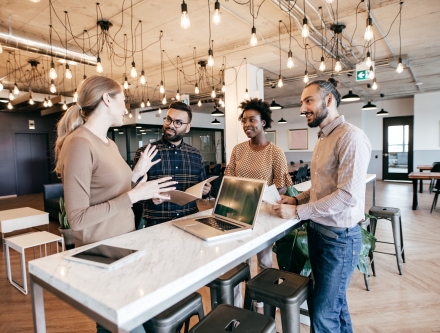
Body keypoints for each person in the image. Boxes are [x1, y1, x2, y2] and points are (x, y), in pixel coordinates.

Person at [54, 75, 177, 333]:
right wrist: (134, 195)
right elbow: (77, 218)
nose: (126, 108)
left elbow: (109, 191)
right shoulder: (79, 143)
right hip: (102, 253)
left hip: (124, 244)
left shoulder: (108, 142)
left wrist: (137, 183)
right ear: (106, 99)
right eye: (123, 101)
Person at [273, 78, 372, 333]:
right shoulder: (322, 138)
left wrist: (297, 211)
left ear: (329, 100)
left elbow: (346, 196)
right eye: (301, 102)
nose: (302, 108)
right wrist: (296, 199)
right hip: (320, 235)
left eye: (308, 101)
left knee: (323, 315)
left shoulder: (351, 137)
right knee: (334, 307)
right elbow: (319, 189)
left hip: (339, 241)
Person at [224, 98, 293, 306]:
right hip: (238, 212)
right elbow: (230, 179)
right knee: (238, 262)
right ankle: (236, 306)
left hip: (264, 213)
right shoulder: (238, 150)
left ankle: (262, 301)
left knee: (264, 260)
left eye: (252, 120)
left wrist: (261, 195)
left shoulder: (275, 152)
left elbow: (282, 186)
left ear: (263, 122)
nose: (247, 125)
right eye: (244, 121)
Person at [132, 101, 211, 227]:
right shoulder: (145, 153)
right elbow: (133, 192)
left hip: (190, 220)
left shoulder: (195, 155)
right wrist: (151, 198)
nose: (171, 125)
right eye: (168, 119)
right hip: (156, 224)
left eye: (178, 122)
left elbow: (201, 189)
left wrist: (205, 191)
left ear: (188, 127)